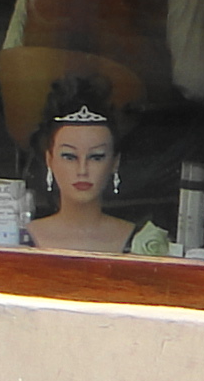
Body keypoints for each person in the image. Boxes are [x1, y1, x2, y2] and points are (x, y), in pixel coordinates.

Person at [21, 78, 174, 258]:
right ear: (50, 160)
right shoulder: (22, 238)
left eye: (96, 157)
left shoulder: (135, 240)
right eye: (69, 157)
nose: (82, 170)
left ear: (114, 163)